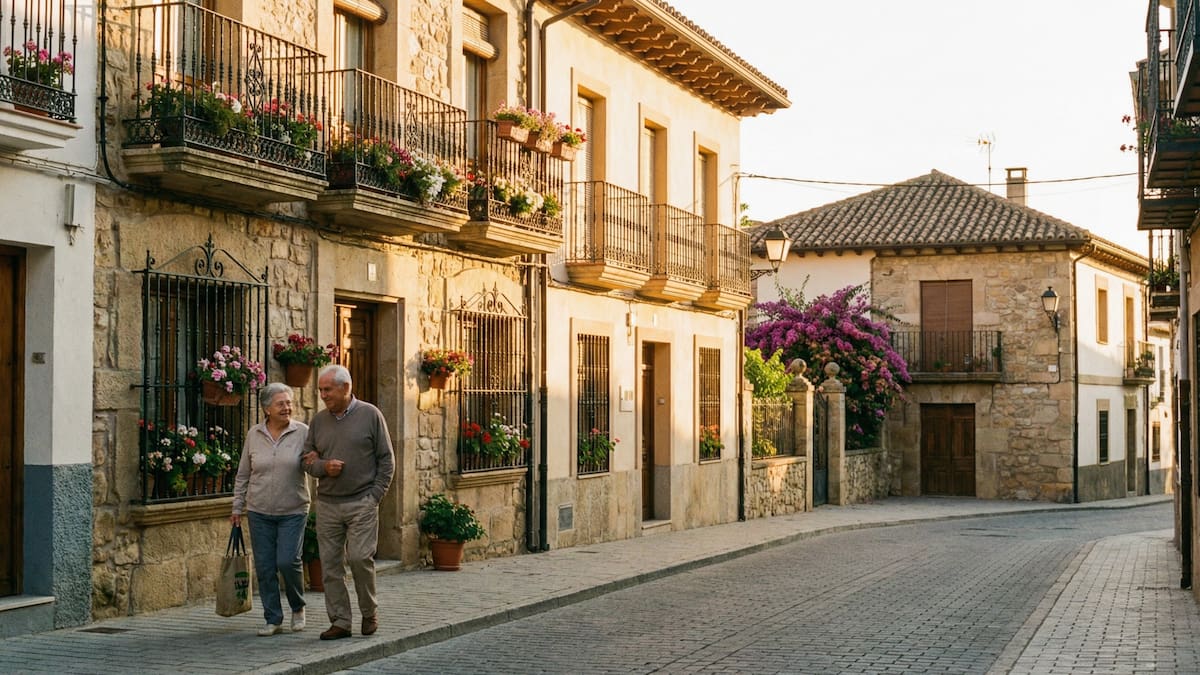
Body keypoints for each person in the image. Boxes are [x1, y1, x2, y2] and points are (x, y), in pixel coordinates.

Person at [302, 364, 395, 640]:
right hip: (328, 504)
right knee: (330, 566)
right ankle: (340, 621)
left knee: (359, 558)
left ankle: (369, 612)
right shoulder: (319, 421)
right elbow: (306, 460)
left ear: (345, 387)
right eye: (320, 390)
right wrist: (323, 467)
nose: (323, 395)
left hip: (361, 502)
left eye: (327, 389)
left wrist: (375, 496)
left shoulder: (370, 415)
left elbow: (386, 459)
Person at [231, 382, 311, 636]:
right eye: (281, 404)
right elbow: (243, 474)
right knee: (265, 567)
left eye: (289, 403)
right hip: (259, 510)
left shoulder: (303, 432)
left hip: (294, 509)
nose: (287, 407)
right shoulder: (254, 435)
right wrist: (237, 507)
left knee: (287, 561)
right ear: (267, 409)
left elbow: (314, 465)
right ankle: (273, 618)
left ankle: (297, 607)